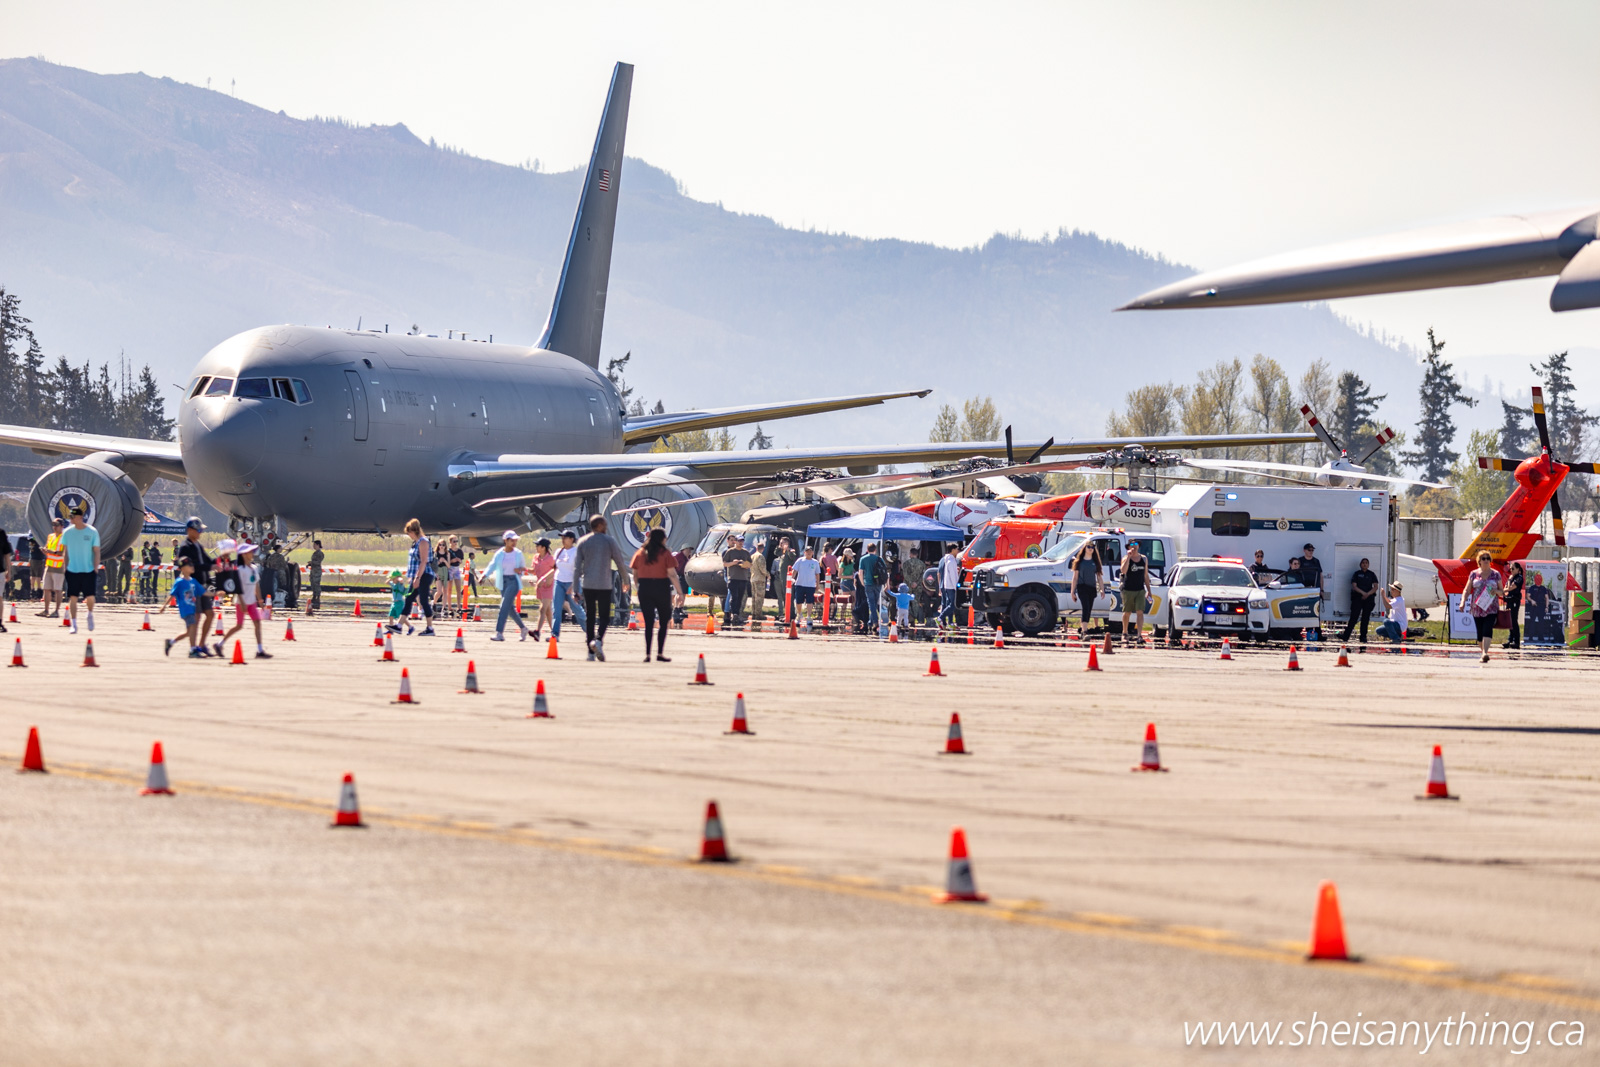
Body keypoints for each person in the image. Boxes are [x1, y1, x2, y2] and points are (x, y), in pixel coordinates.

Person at [574, 515, 632, 661]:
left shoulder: (583, 541)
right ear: (599, 526)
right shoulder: (609, 541)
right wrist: (626, 580)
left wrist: (575, 588)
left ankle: (590, 652)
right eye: (604, 524)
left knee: (590, 617)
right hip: (604, 584)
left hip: (588, 584)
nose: (606, 527)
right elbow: (620, 562)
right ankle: (598, 640)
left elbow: (577, 568)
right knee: (604, 617)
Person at [630, 527, 684, 661]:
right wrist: (680, 592)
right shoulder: (665, 553)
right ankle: (659, 653)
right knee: (664, 621)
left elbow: (635, 574)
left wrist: (639, 587)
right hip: (661, 587)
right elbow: (672, 574)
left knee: (648, 622)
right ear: (661, 539)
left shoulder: (640, 553)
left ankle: (648, 654)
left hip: (645, 587)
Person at [220, 542, 272, 659]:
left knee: (257, 623)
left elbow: (256, 585)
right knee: (239, 626)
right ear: (243, 555)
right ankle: (220, 644)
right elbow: (237, 588)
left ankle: (260, 650)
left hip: (251, 602)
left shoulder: (254, 568)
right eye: (250, 552)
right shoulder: (240, 569)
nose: (252, 554)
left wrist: (260, 600)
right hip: (241, 602)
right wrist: (242, 603)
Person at [174, 518, 216, 650]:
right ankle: (193, 647)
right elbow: (193, 566)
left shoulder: (198, 545)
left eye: (201, 530)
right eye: (198, 530)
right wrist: (210, 567)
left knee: (210, 614)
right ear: (189, 530)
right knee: (196, 618)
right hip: (192, 586)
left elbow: (208, 560)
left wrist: (218, 562)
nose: (200, 533)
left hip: (203, 585)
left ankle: (201, 644)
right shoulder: (185, 548)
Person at [482, 531, 529, 642]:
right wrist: (484, 575)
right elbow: (492, 565)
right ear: (506, 541)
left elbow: (523, 568)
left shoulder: (518, 554)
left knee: (503, 606)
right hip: (503, 582)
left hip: (513, 582)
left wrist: (519, 570)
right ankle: (523, 628)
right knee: (510, 609)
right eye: (512, 540)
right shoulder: (499, 553)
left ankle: (499, 633)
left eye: (515, 540)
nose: (514, 543)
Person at [61, 507, 101, 634]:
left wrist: (95, 567)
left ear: (80, 517)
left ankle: (89, 613)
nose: (71, 519)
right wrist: (65, 567)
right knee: (73, 597)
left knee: (90, 597)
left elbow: (96, 551)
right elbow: (65, 551)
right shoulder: (67, 532)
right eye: (70, 517)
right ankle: (74, 624)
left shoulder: (92, 532)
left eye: (73, 517)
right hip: (72, 570)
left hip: (88, 570)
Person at [393, 519, 437, 636]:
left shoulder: (423, 542)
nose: (409, 536)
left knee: (423, 601)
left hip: (424, 575)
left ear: (413, 531)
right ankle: (399, 626)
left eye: (409, 533)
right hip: (417, 575)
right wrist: (413, 577)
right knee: (409, 599)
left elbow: (423, 561)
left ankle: (430, 628)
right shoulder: (416, 542)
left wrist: (417, 578)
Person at [1459, 550, 1501, 663]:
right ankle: (1483, 652)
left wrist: (1496, 591)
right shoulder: (1473, 574)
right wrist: (1463, 602)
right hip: (1477, 608)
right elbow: (1467, 590)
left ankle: (1485, 653)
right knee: (1480, 633)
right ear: (1479, 561)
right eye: (1483, 558)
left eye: (1488, 558)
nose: (1486, 560)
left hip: (1491, 607)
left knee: (1487, 629)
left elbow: (1502, 591)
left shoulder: (1496, 574)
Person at [161, 555, 206, 658]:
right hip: (186, 610)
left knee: (189, 632)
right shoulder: (179, 582)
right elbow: (172, 594)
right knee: (193, 627)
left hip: (192, 609)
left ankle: (171, 642)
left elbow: (203, 592)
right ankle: (192, 650)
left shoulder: (192, 581)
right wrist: (164, 606)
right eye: (189, 565)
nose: (192, 567)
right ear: (183, 568)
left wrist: (216, 594)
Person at [550, 529, 587, 642]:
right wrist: (545, 579)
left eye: (565, 537)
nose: (563, 540)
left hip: (572, 582)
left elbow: (580, 570)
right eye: (562, 537)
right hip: (559, 581)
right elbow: (554, 568)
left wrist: (573, 586)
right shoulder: (558, 551)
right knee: (556, 609)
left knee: (576, 608)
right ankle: (554, 634)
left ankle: (589, 632)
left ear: (572, 539)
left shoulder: (576, 551)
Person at [1118, 539, 1151, 645]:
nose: (1134, 546)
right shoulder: (1125, 558)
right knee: (1127, 612)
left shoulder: (1144, 559)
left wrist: (1149, 590)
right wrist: (1128, 557)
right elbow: (1123, 571)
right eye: (1132, 544)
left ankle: (1139, 635)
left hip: (1140, 589)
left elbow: (1146, 575)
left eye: (1136, 544)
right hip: (1128, 589)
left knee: (1140, 612)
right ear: (1128, 547)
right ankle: (1125, 633)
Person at [1341, 557, 1379, 644]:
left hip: (1368, 599)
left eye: (1366, 563)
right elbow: (1354, 586)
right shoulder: (1357, 574)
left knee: (1365, 618)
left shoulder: (1371, 574)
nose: (1364, 564)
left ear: (1368, 565)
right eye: (1363, 563)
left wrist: (1367, 594)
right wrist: (1363, 593)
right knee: (1354, 617)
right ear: (1360, 564)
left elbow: (1375, 587)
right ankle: (1346, 636)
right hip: (1358, 598)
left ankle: (1363, 637)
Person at [1071, 540, 1103, 637]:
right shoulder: (1079, 562)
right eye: (1088, 547)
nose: (1090, 549)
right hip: (1082, 587)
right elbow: (1075, 578)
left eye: (1092, 547)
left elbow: (1099, 577)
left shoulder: (1095, 562)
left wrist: (1102, 589)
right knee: (1085, 607)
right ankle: (1084, 631)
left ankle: (1083, 628)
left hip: (1092, 588)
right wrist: (1072, 592)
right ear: (1084, 548)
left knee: (1089, 609)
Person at [721, 533, 752, 624]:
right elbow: (725, 564)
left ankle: (737, 614)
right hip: (733, 577)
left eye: (742, 541)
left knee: (740, 597)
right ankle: (733, 613)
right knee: (734, 596)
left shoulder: (746, 552)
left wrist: (745, 565)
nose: (740, 543)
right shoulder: (730, 551)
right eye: (739, 541)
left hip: (743, 578)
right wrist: (733, 563)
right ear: (735, 542)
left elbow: (750, 564)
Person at [38, 516, 65, 618]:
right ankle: (46, 610)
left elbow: (64, 552)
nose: (54, 527)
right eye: (53, 525)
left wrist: (52, 552)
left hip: (59, 566)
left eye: (56, 525)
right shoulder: (50, 536)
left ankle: (56, 611)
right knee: (46, 588)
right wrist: (44, 550)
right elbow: (47, 547)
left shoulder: (64, 537)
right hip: (49, 565)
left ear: (61, 526)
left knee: (58, 589)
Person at [529, 538, 556, 642]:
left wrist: (548, 579)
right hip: (540, 586)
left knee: (542, 609)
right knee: (548, 611)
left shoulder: (550, 559)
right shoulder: (536, 557)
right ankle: (554, 632)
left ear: (543, 547)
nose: (536, 547)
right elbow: (534, 571)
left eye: (538, 545)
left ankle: (537, 632)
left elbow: (556, 570)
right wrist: (523, 569)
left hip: (549, 586)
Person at [857, 543, 884, 633]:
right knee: (874, 603)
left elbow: (860, 572)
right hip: (878, 584)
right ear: (875, 550)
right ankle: (870, 622)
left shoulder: (863, 559)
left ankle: (875, 622)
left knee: (871, 603)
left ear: (867, 550)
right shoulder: (879, 559)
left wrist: (862, 582)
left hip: (868, 583)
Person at [791, 544, 822, 621]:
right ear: (804, 552)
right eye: (807, 551)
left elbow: (817, 574)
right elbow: (794, 570)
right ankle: (799, 614)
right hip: (800, 584)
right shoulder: (800, 560)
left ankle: (808, 616)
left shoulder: (815, 562)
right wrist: (791, 579)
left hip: (810, 585)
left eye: (810, 551)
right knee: (798, 601)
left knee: (810, 601)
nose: (809, 553)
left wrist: (817, 584)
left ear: (813, 553)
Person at [1501, 561, 1524, 649]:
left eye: (1513, 569)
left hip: (1515, 600)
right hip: (1509, 600)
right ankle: (1510, 640)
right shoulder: (1511, 577)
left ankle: (1516, 641)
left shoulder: (1519, 578)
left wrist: (1508, 583)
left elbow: (1511, 587)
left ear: (1518, 569)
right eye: (1510, 569)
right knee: (1509, 621)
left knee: (1514, 620)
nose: (1511, 570)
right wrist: (1509, 581)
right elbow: (1505, 587)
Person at [937, 544, 961, 627]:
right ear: (953, 549)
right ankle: (945, 620)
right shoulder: (952, 561)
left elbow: (939, 573)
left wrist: (940, 586)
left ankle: (944, 622)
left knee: (946, 604)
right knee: (951, 604)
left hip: (944, 585)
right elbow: (952, 575)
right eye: (957, 549)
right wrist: (956, 587)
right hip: (950, 585)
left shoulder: (943, 560)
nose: (958, 550)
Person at [749, 545, 770, 620]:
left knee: (754, 597)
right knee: (759, 598)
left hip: (753, 578)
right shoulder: (760, 556)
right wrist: (767, 574)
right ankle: (758, 614)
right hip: (760, 579)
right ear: (763, 549)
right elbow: (762, 568)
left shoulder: (752, 556)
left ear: (756, 548)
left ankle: (754, 613)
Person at [307, 539, 325, 614]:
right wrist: (309, 564)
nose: (313, 546)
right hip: (313, 570)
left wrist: (312, 562)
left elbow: (318, 562)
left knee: (316, 583)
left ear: (318, 545)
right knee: (312, 583)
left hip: (317, 571)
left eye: (314, 545)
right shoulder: (315, 553)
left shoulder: (320, 553)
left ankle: (317, 596)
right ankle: (314, 595)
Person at [0, 529, 11, 632]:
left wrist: (9, 570)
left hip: (0, 572)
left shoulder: (1, 533)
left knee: (0, 598)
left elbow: (7, 553)